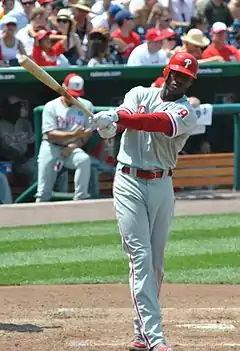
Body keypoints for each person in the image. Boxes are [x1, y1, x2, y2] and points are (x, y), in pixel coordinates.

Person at [92, 52, 199, 351]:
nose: (179, 79)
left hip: (162, 184)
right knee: (140, 259)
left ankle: (140, 334)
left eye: (186, 77)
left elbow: (154, 122)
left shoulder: (186, 111)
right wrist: (107, 126)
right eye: (177, 72)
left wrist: (117, 117)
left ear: (191, 83)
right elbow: (120, 124)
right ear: (167, 71)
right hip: (128, 182)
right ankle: (155, 337)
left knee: (156, 265)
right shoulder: (139, 92)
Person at [36, 73, 94, 202]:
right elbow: (50, 133)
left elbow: (88, 133)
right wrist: (73, 135)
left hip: (72, 148)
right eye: (70, 94)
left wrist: (74, 145)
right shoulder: (51, 106)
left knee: (83, 160)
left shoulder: (87, 106)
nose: (73, 98)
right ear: (63, 88)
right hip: (51, 147)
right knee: (43, 192)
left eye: (76, 95)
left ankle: (80, 200)